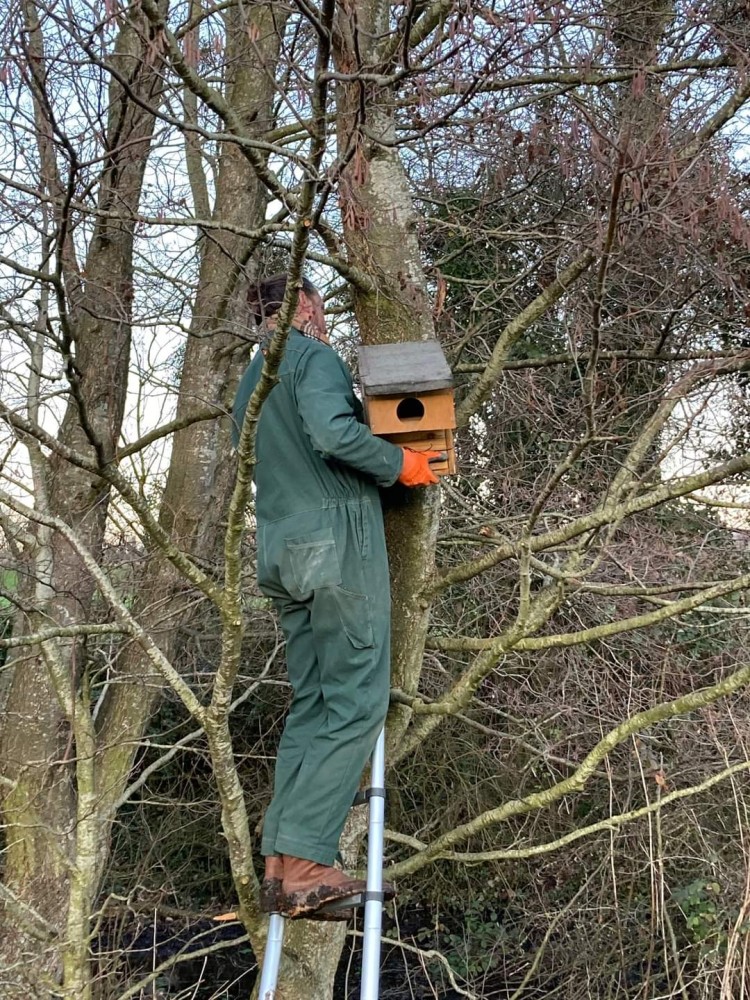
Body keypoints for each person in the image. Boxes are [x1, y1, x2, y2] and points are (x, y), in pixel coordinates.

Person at [232, 274, 441, 919]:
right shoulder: (310, 356)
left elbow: (296, 455)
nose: (324, 319)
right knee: (356, 698)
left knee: (314, 699)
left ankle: (277, 861)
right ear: (298, 306)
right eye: (318, 306)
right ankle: (305, 862)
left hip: (280, 552)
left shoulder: (251, 380)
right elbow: (330, 433)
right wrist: (399, 465)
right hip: (334, 549)